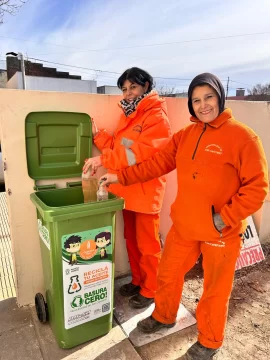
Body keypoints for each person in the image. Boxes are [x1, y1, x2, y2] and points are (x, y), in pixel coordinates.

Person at [98, 73, 269, 360]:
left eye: (209, 97)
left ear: (220, 97)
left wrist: (224, 217)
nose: (203, 105)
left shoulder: (243, 137)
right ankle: (164, 317)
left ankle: (210, 341)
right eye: (196, 100)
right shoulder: (185, 136)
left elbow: (258, 188)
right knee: (167, 274)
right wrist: (119, 176)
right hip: (185, 225)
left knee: (214, 291)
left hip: (221, 231)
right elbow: (154, 165)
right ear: (190, 105)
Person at [83, 67, 171, 309]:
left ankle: (151, 289)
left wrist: (103, 160)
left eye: (133, 87)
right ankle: (138, 280)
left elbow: (138, 155)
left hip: (145, 191)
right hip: (126, 189)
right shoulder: (130, 115)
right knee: (130, 240)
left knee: (148, 245)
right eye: (124, 88)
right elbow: (120, 148)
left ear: (146, 87)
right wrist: (98, 137)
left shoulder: (156, 117)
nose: (128, 92)